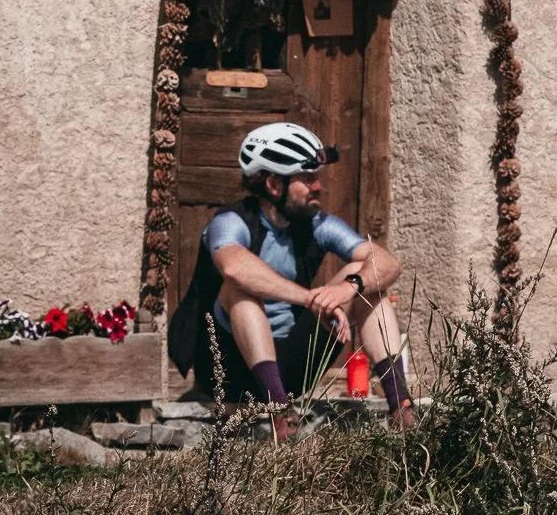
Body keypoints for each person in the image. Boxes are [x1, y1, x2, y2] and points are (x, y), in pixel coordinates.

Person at [168, 121, 417, 440]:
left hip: (294, 365)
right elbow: (234, 268)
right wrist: (309, 298)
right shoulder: (231, 221)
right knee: (239, 291)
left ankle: (402, 408)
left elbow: (387, 262)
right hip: (229, 369)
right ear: (273, 184)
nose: (319, 187)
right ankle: (278, 414)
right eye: (308, 178)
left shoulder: (316, 224)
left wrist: (347, 287)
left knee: (371, 286)